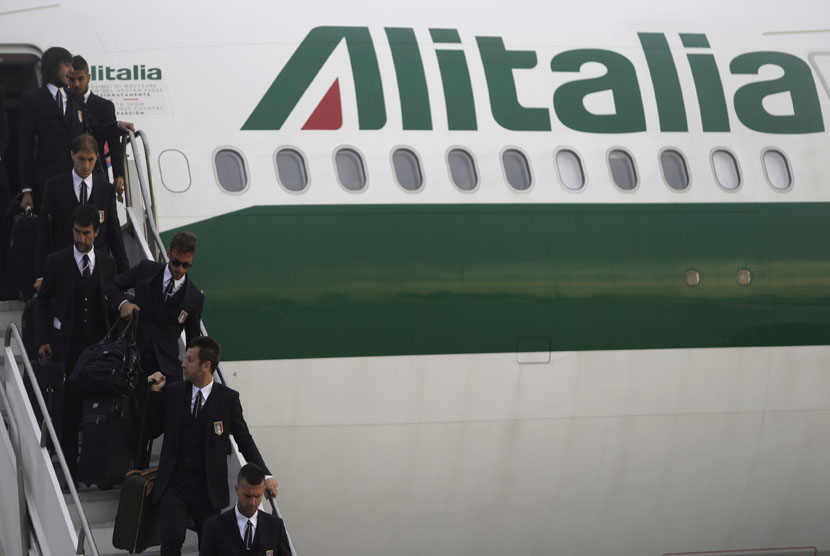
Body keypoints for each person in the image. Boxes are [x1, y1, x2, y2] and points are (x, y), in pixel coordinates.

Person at [147, 336, 279, 556]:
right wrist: (155, 395)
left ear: (205, 366)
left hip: (208, 489)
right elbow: (152, 431)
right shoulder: (173, 393)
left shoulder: (227, 400)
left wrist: (265, 474)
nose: (183, 364)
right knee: (171, 538)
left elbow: (244, 440)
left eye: (189, 359)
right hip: (174, 484)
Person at [35, 203, 117, 478]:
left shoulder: (108, 263)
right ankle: (70, 472)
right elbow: (42, 302)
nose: (81, 239)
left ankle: (96, 471)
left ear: (96, 232)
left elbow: (112, 303)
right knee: (68, 413)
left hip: (98, 352)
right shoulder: (56, 261)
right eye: (76, 232)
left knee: (98, 412)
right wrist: (43, 339)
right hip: (67, 351)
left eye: (86, 233)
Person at [18, 46, 134, 211]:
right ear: (52, 66)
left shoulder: (75, 99)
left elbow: (95, 129)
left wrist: (117, 126)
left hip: (78, 182)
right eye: (67, 65)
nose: (71, 70)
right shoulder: (32, 101)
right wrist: (27, 190)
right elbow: (25, 148)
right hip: (49, 183)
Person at [103, 231, 204, 384]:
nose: (180, 269)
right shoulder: (146, 270)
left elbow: (193, 341)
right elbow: (111, 286)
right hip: (134, 361)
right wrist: (123, 304)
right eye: (176, 263)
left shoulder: (194, 297)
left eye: (186, 265)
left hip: (167, 369)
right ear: (169, 253)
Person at [35, 133, 128, 290]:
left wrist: (125, 274)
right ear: (72, 155)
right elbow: (44, 233)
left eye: (90, 160)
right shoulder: (54, 186)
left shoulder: (107, 190)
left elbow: (114, 234)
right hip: (63, 267)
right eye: (81, 159)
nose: (86, 165)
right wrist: (40, 274)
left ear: (97, 157)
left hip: (98, 269)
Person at [199, 463, 290, 556]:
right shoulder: (213, 527)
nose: (252, 502)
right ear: (237, 490)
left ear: (263, 491)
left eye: (257, 496)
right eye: (248, 496)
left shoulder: (275, 526)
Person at [69, 55, 126, 195]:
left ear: (89, 77)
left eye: (80, 79)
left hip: (96, 169)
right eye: (72, 79)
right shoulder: (65, 104)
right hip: (70, 170)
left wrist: (119, 175)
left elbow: (113, 142)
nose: (76, 84)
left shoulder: (104, 106)